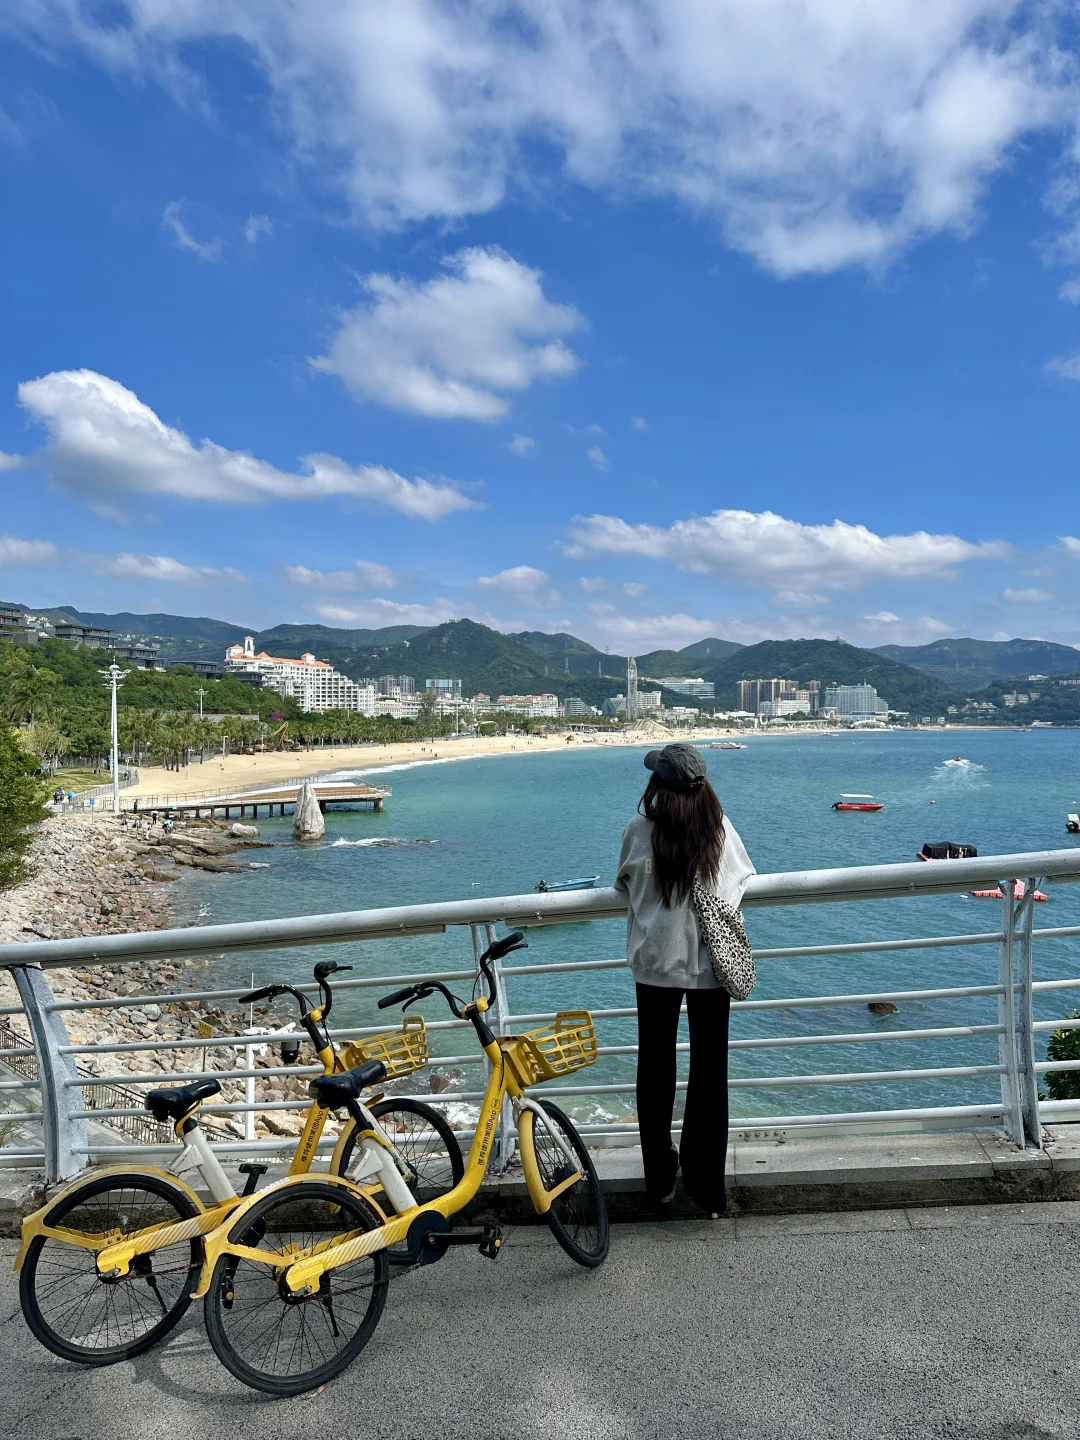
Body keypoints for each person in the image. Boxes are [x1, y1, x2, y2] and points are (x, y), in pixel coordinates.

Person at [615, 743, 755, 1218]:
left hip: (656, 963)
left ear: (659, 786)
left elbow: (626, 885)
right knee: (710, 1072)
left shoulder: (639, 830)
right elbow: (739, 884)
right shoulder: (718, 829)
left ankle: (659, 1183)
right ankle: (707, 1189)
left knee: (655, 1070)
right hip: (709, 965)